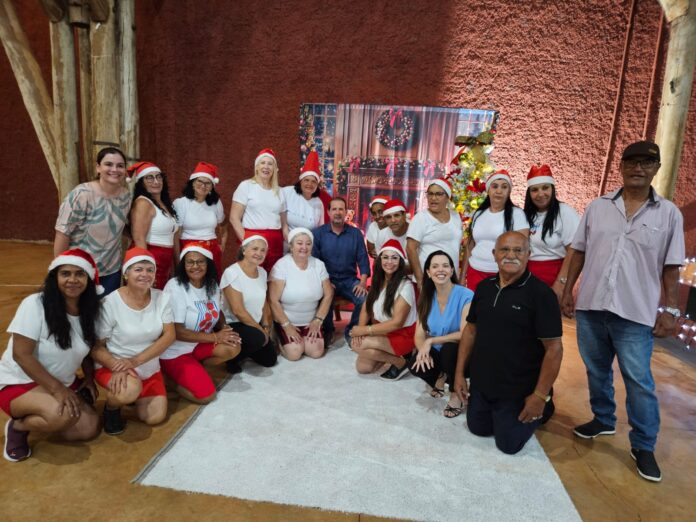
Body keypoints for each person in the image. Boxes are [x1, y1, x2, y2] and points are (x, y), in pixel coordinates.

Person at [560, 141, 684, 483]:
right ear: (622, 166)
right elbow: (579, 251)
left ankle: (643, 444)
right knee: (596, 370)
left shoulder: (669, 214)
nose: (638, 168)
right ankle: (603, 419)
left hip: (634, 313)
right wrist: (568, 290)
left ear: (656, 168)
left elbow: (671, 266)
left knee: (638, 381)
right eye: (632, 162)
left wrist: (671, 310)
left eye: (646, 163)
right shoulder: (598, 207)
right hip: (591, 306)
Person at [453, 232, 562, 455]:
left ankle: (547, 405)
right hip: (484, 382)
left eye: (518, 250)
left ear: (528, 254)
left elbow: (554, 349)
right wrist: (459, 374)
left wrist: (539, 396)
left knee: (508, 445)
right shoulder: (484, 288)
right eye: (504, 249)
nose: (510, 255)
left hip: (518, 387)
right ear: (494, 254)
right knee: (478, 429)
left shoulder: (542, 295)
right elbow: (471, 331)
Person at [0, 249, 101, 462]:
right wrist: (58, 390)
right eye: (65, 274)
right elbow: (21, 354)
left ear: (89, 279)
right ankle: (18, 427)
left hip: (62, 381)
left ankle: (49, 412)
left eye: (80, 274)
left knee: (88, 429)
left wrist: (89, 378)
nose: (72, 280)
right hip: (19, 380)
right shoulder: (35, 304)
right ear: (55, 277)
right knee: (62, 416)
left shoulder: (89, 310)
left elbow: (85, 350)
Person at [91, 247, 175, 435]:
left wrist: (135, 361)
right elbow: (96, 347)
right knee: (128, 390)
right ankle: (112, 408)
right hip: (114, 365)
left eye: (150, 270)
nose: (145, 274)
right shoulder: (109, 303)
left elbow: (169, 336)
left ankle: (133, 394)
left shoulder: (162, 298)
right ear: (126, 274)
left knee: (154, 417)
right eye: (138, 269)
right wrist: (116, 366)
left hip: (147, 366)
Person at [161, 244, 241, 404]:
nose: (195, 266)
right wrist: (216, 337)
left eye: (200, 262)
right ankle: (168, 380)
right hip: (176, 351)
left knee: (233, 346)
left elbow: (217, 311)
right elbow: (178, 332)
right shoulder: (175, 286)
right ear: (183, 265)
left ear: (208, 264)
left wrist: (225, 329)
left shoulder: (211, 285)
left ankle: (195, 368)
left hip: (198, 344)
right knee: (206, 396)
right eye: (190, 262)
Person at [54, 147, 131, 295]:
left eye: (120, 166)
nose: (114, 169)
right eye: (108, 164)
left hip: (111, 271)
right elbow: (62, 233)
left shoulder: (125, 196)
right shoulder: (81, 195)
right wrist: (61, 269)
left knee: (107, 309)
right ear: (98, 167)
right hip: (80, 270)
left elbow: (121, 227)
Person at [410, 250, 474, 417]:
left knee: (449, 350)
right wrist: (423, 350)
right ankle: (440, 375)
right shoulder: (426, 296)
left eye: (445, 266)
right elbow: (419, 334)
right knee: (415, 363)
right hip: (440, 350)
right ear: (428, 272)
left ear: (452, 271)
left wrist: (431, 341)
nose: (441, 270)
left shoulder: (466, 295)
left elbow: (465, 333)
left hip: (463, 353)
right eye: (435, 266)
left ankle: (455, 394)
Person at [351, 240, 417, 379]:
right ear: (380, 260)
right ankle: (391, 356)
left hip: (402, 335)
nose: (389, 262)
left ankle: (401, 362)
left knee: (356, 346)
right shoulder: (378, 282)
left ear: (400, 262)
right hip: (383, 332)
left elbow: (397, 323)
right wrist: (360, 330)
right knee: (363, 368)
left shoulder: (406, 286)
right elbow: (366, 308)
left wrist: (365, 331)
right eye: (385, 257)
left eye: (394, 258)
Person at [312, 197, 371, 345]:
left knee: (365, 299)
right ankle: (328, 330)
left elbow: (363, 259)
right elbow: (314, 262)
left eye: (341, 209)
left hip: (349, 280)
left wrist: (363, 282)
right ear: (328, 212)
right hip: (327, 280)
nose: (338, 212)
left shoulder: (355, 234)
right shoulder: (318, 234)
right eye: (334, 209)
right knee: (322, 296)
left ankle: (351, 330)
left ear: (346, 212)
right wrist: (324, 282)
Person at [269, 228, 334, 360]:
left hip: (311, 321)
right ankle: (279, 336)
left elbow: (329, 294)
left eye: (308, 243)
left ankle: (303, 340)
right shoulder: (281, 265)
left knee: (316, 352)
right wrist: (287, 326)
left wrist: (318, 320)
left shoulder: (319, 265)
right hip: (287, 321)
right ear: (291, 246)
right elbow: (273, 300)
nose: (304, 247)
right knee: (294, 354)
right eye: (299, 243)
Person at [220, 233, 278, 373]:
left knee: (270, 360)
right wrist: (260, 331)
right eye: (255, 249)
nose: (259, 253)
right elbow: (238, 310)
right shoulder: (232, 272)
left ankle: (246, 348)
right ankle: (231, 357)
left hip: (254, 324)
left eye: (263, 250)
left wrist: (265, 326)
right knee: (258, 338)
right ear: (244, 250)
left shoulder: (262, 272)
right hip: (234, 324)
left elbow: (264, 303)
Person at [464, 170, 529, 292]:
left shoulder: (517, 214)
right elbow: (470, 246)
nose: (499, 191)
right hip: (475, 271)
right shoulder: (479, 213)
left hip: (502, 275)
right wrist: (463, 277)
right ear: (488, 190)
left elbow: (523, 249)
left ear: (509, 191)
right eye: (495, 186)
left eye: (504, 187)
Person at [523, 165, 580, 300]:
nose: (540, 194)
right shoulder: (526, 215)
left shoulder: (565, 212)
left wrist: (561, 283)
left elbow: (574, 251)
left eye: (545, 188)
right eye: (534, 190)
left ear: (552, 189)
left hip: (554, 277)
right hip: (527, 278)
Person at [230, 148, 288, 272]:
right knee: (251, 275)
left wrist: (290, 242)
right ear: (256, 167)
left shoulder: (280, 191)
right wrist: (246, 241)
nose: (266, 167)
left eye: (270, 164)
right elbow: (234, 218)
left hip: (275, 241)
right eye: (263, 163)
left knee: (273, 276)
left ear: (274, 169)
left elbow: (284, 223)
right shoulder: (246, 186)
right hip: (252, 239)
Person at [128, 161, 179, 290]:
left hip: (165, 263)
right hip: (151, 259)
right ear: (141, 182)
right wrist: (146, 270)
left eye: (158, 177)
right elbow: (139, 239)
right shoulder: (143, 203)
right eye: (149, 178)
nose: (156, 181)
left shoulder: (164, 203)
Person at [173, 162, 227, 277]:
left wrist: (221, 245)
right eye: (200, 181)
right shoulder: (181, 203)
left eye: (208, 183)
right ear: (192, 182)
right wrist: (178, 260)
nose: (203, 186)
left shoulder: (216, 203)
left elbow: (223, 224)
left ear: (212, 186)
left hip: (212, 249)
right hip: (189, 250)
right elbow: (176, 235)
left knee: (212, 282)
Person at [407, 178, 463, 287]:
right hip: (428, 280)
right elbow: (410, 249)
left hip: (451, 279)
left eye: (438, 194)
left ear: (447, 197)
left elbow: (456, 247)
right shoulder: (420, 218)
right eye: (430, 194)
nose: (433, 198)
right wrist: (420, 280)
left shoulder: (456, 216)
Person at [282, 151, 324, 237]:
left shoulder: (318, 203)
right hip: (286, 240)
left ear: (317, 185)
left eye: (313, 181)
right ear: (300, 181)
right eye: (306, 180)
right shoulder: (287, 192)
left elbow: (321, 229)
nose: (309, 184)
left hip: (308, 243)